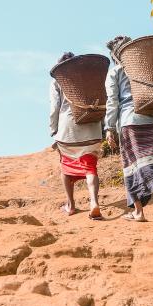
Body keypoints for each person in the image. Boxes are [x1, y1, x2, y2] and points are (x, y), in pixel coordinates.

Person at [104, 36, 153, 232]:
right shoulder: (147, 66)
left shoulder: (116, 72)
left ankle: (139, 212)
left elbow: (113, 101)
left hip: (130, 122)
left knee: (132, 167)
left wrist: (109, 127)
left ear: (115, 56)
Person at [49, 52, 104, 220]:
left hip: (68, 131)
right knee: (90, 167)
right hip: (92, 128)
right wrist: (104, 126)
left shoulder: (57, 80)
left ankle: (71, 205)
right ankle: (94, 202)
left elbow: (54, 107)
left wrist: (53, 130)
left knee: (66, 167)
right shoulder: (91, 77)